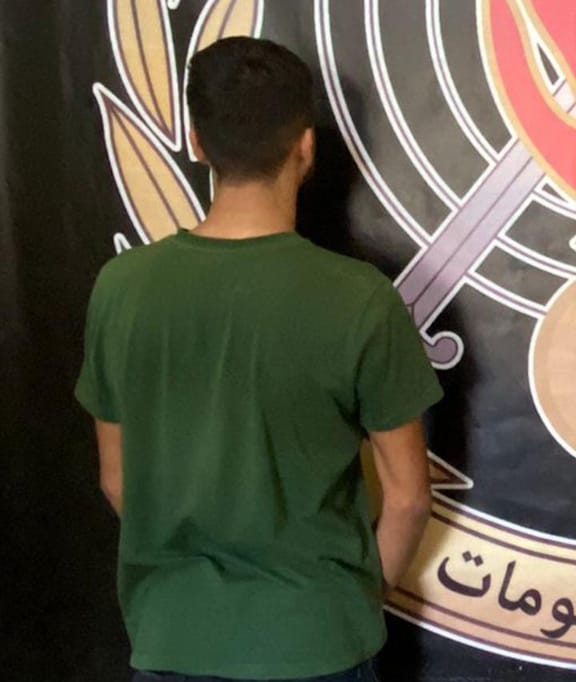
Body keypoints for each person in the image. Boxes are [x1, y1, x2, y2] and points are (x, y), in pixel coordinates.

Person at [75, 37, 442, 681]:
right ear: (307, 146)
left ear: (196, 142)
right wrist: (345, 606)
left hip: (175, 639)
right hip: (319, 637)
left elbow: (117, 480)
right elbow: (409, 499)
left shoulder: (120, 287)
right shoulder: (360, 298)